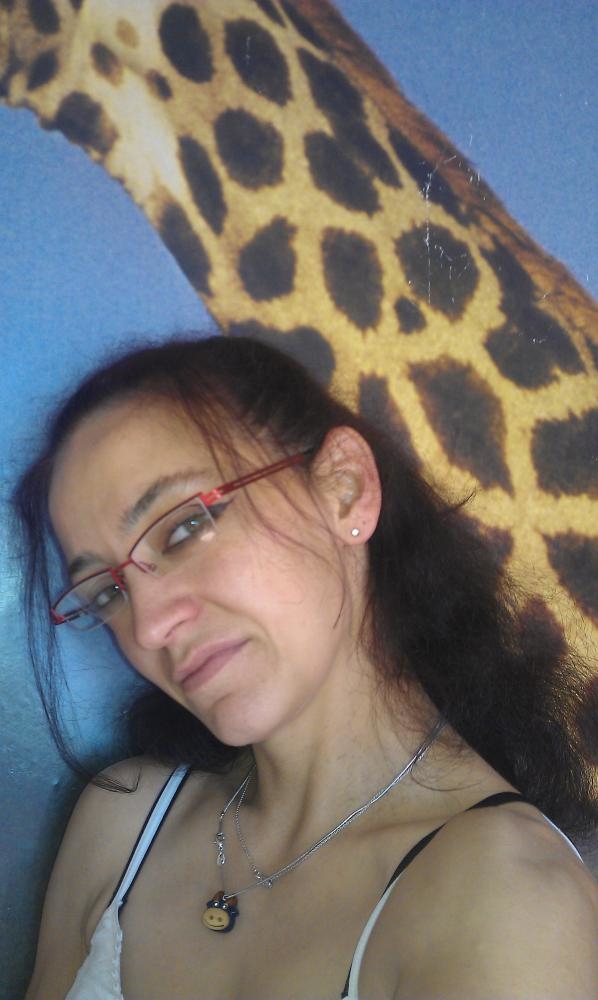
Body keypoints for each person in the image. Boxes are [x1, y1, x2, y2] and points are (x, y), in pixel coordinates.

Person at [15, 334, 598, 1000]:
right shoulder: (123, 824)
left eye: (182, 528)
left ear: (346, 490)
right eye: (107, 592)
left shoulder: (504, 899)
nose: (148, 626)